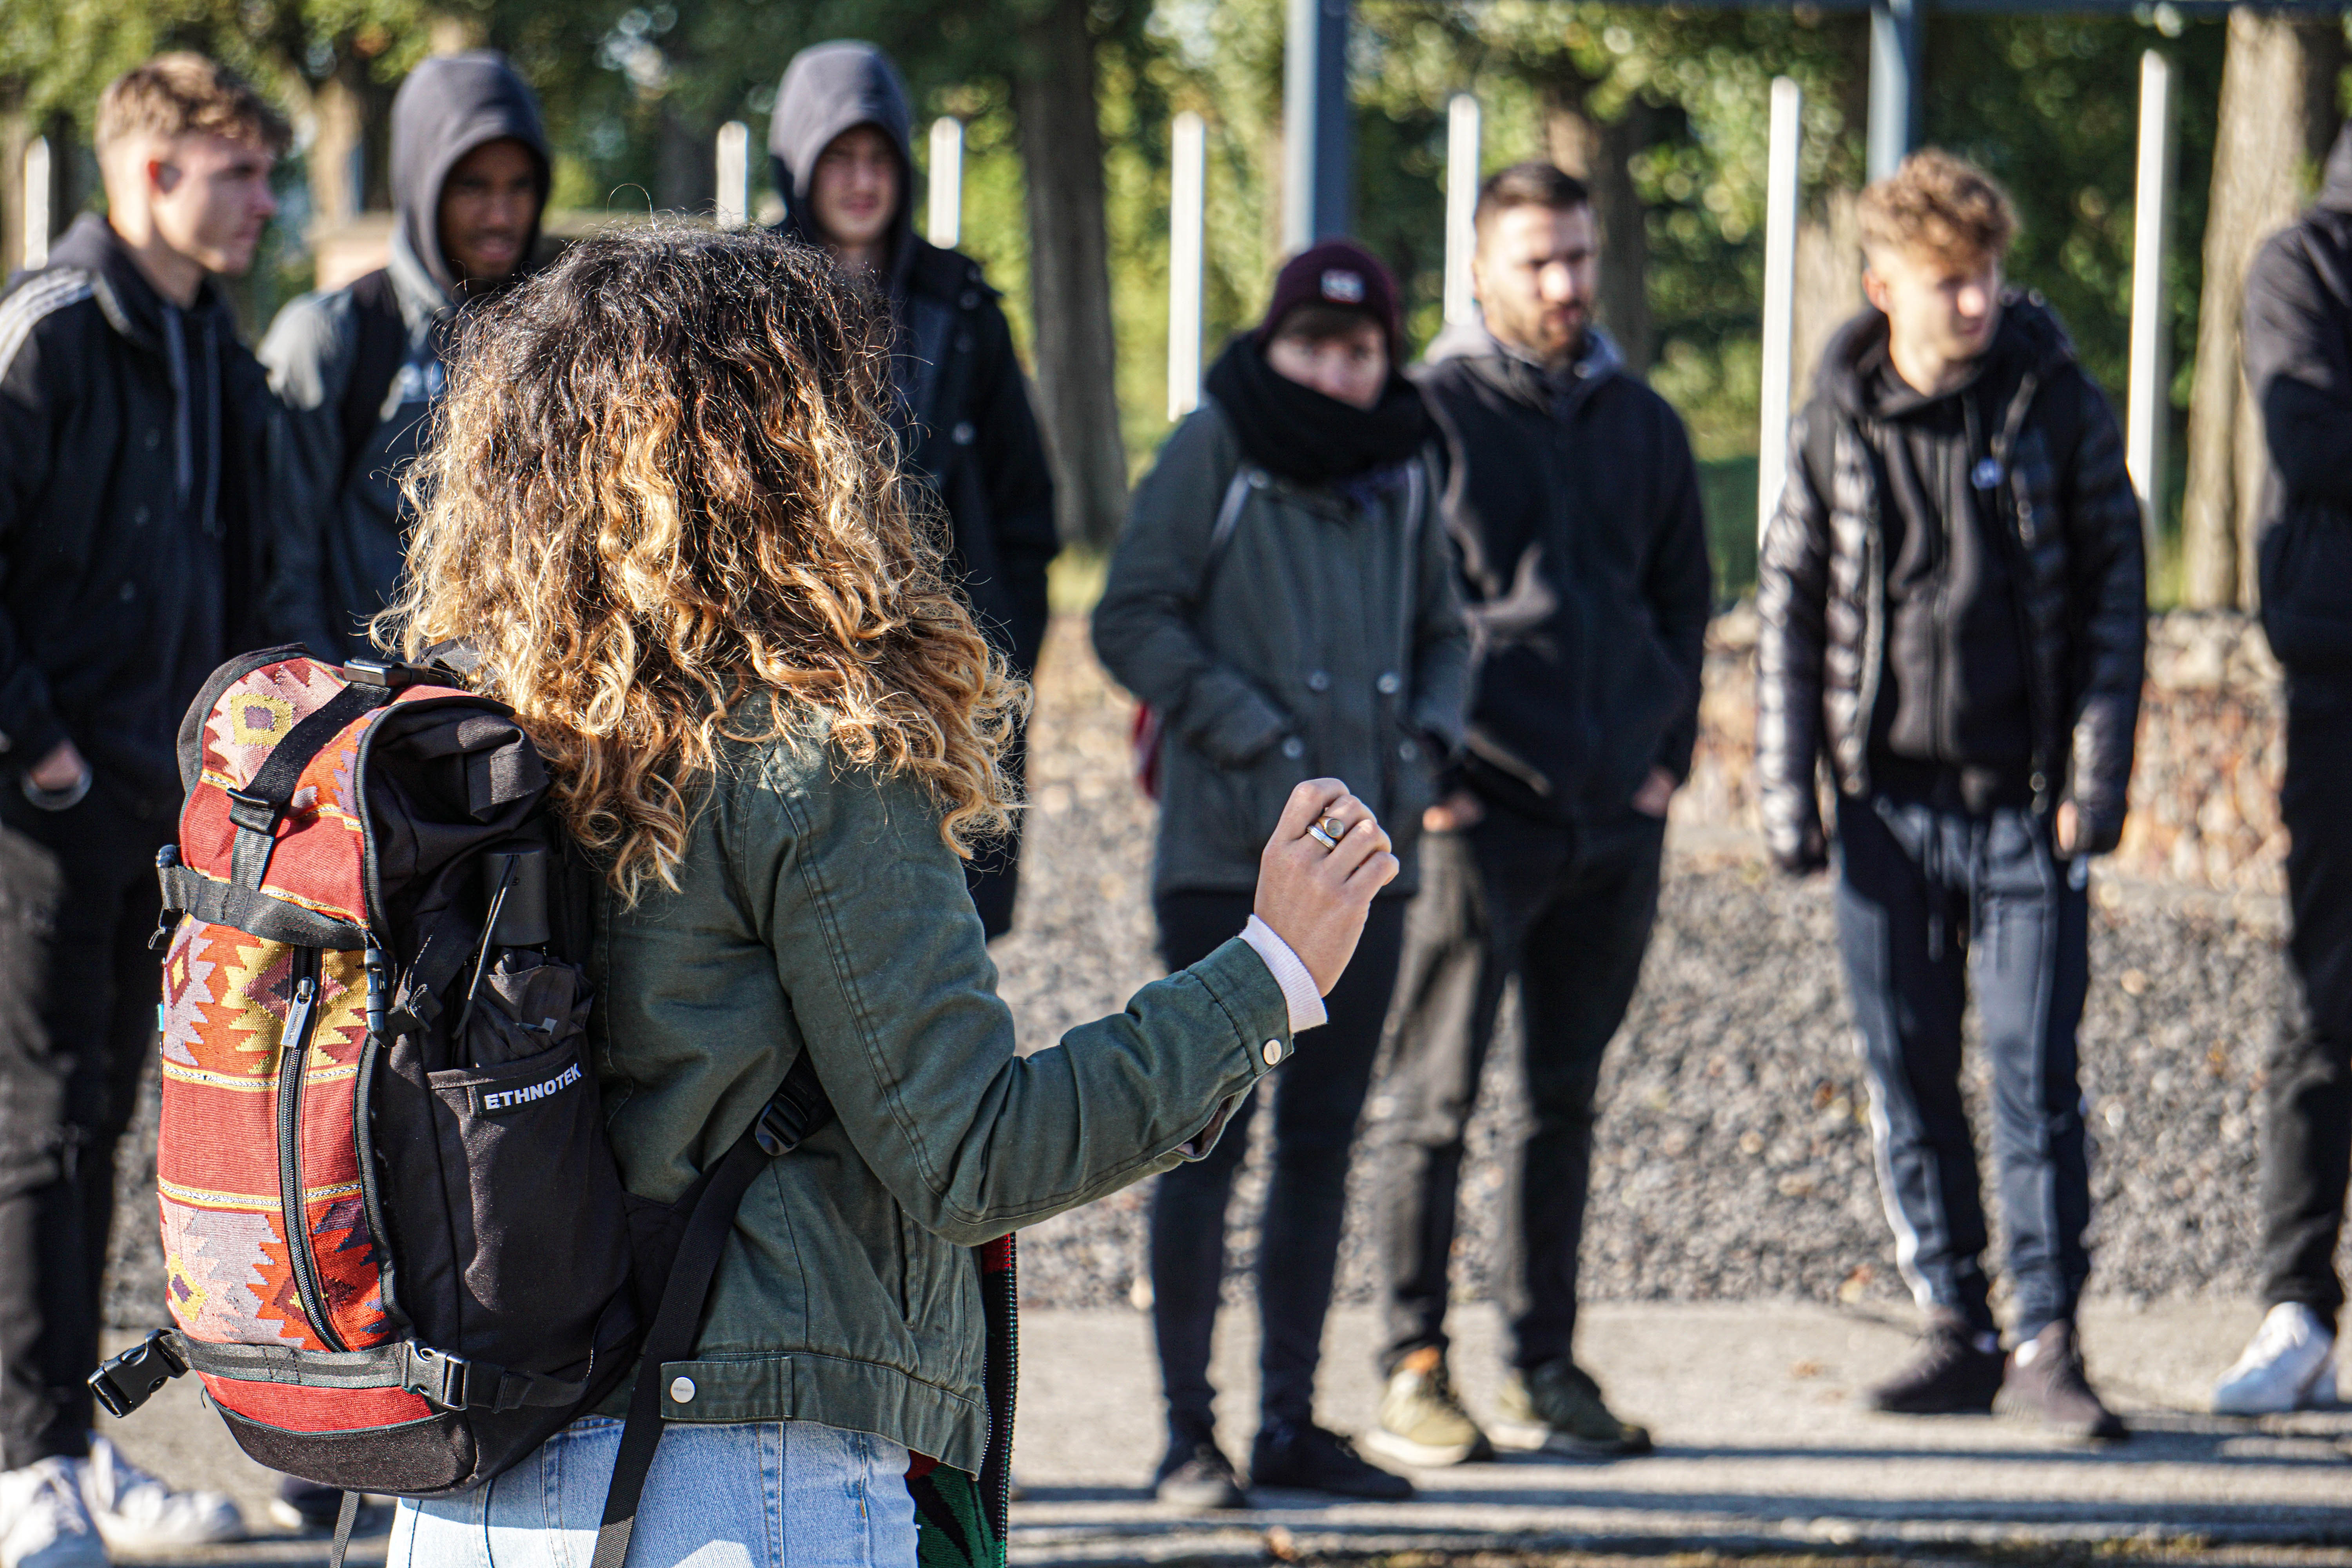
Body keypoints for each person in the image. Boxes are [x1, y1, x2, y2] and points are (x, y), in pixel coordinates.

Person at [377, 222, 1398, 1566]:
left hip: (460, 1478)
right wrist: (1268, 973)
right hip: (737, 1481)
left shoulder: (461, 742)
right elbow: (974, 1157)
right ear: (787, 455)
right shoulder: (804, 756)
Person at [1757, 150, 2145, 1441]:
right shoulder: (1836, 419)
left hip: (2029, 810)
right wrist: (1788, 793)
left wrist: (2096, 783)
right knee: (1907, 1071)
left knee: (2035, 1074)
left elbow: (2114, 605)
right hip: (1885, 807)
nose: (1975, 305)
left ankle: (2048, 1339)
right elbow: (1793, 608)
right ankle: (1958, 1327)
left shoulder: (2057, 404)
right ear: (1884, 287)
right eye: (1946, 285)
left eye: (1984, 279)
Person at [1095, 241, 1469, 1505]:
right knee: (1205, 1141)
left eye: (1360, 349)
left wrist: (1420, 757)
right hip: (1228, 863)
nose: (1335, 368)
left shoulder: (1409, 466)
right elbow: (1130, 614)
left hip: (1369, 868)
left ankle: (1291, 1426)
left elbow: (1446, 634)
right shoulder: (1219, 446)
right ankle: (1185, 1438)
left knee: (1323, 1143)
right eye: (1313, 342)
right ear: (1274, 342)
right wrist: (1254, 737)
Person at [1364, 163, 1710, 1469]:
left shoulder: (1645, 422)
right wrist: (1431, 782)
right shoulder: (1429, 416)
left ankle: (1546, 1366)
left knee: (1565, 1099)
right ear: (1480, 273)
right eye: (1537, 263)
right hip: (1476, 814)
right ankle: (1414, 1367)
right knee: (1435, 1102)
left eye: (1578, 257)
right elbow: (1394, 598)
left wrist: (1662, 761)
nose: (1566, 284)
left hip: (1614, 819)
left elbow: (1687, 597)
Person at [0, 53, 286, 1568]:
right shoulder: (48, 331)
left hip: (158, 818)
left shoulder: (205, 341)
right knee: (44, 1133)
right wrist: (36, 744)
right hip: (40, 818)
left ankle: (74, 1452)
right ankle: (24, 1466)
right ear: (153, 171)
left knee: (117, 1128)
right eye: (238, 172)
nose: (264, 200)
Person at [767, 40, 1056, 939]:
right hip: (803, 648)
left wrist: (1016, 639)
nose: (861, 181)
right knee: (813, 906)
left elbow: (1024, 496)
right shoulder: (750, 293)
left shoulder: (959, 300)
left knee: (950, 912)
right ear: (801, 163)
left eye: (878, 157)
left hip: (950, 640)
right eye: (839, 157)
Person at [260, 50, 550, 663]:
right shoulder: (332, 337)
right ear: (423, 183)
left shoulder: (559, 336)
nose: (501, 215)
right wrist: (332, 723)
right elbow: (283, 568)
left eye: (520, 187)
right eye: (473, 186)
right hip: (370, 722)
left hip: (517, 724)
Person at [2217, 120, 2352, 1416]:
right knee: (2325, 994)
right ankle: (2297, 1303)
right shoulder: (2305, 261)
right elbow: (2316, 444)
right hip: (2343, 671)